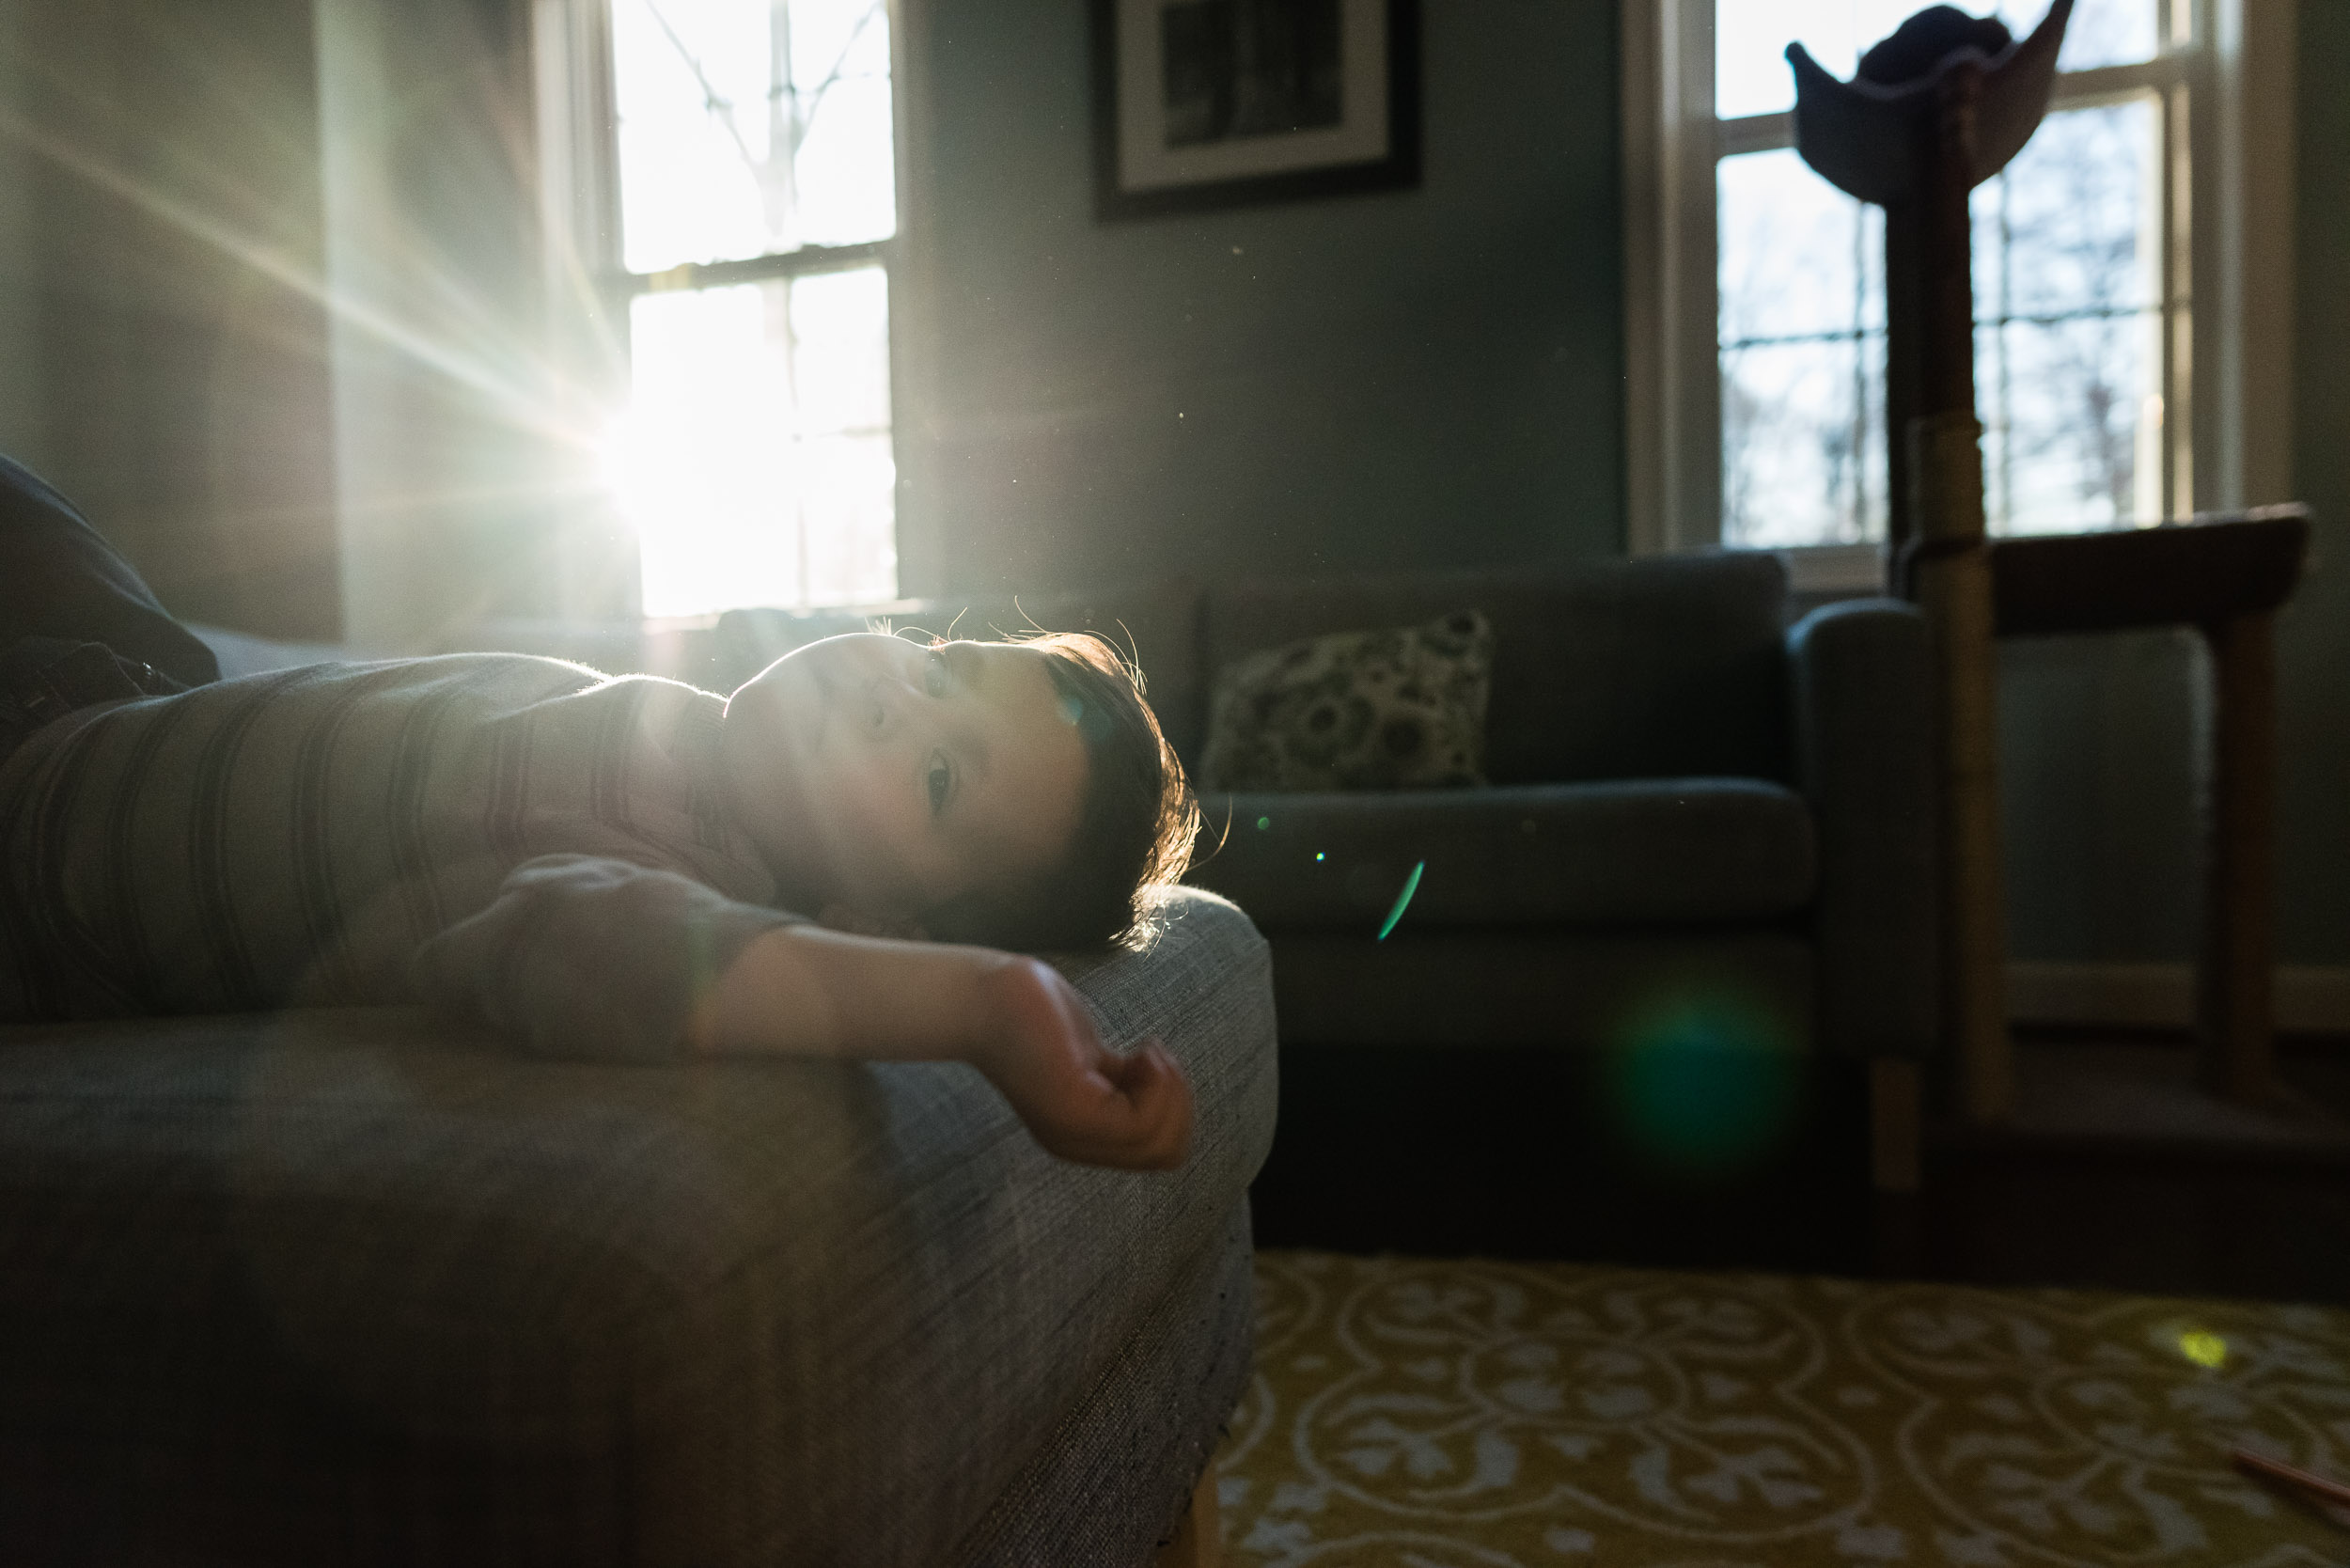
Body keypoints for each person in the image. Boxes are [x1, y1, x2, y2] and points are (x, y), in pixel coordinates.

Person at [0, 453, 1200, 1171]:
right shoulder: (699, 737)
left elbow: (592, 953)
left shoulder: (672, 879)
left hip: (33, 875)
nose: (899, 702)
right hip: (118, 695)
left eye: (942, 781)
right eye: (937, 671)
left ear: (874, 914)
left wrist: (988, 1004)